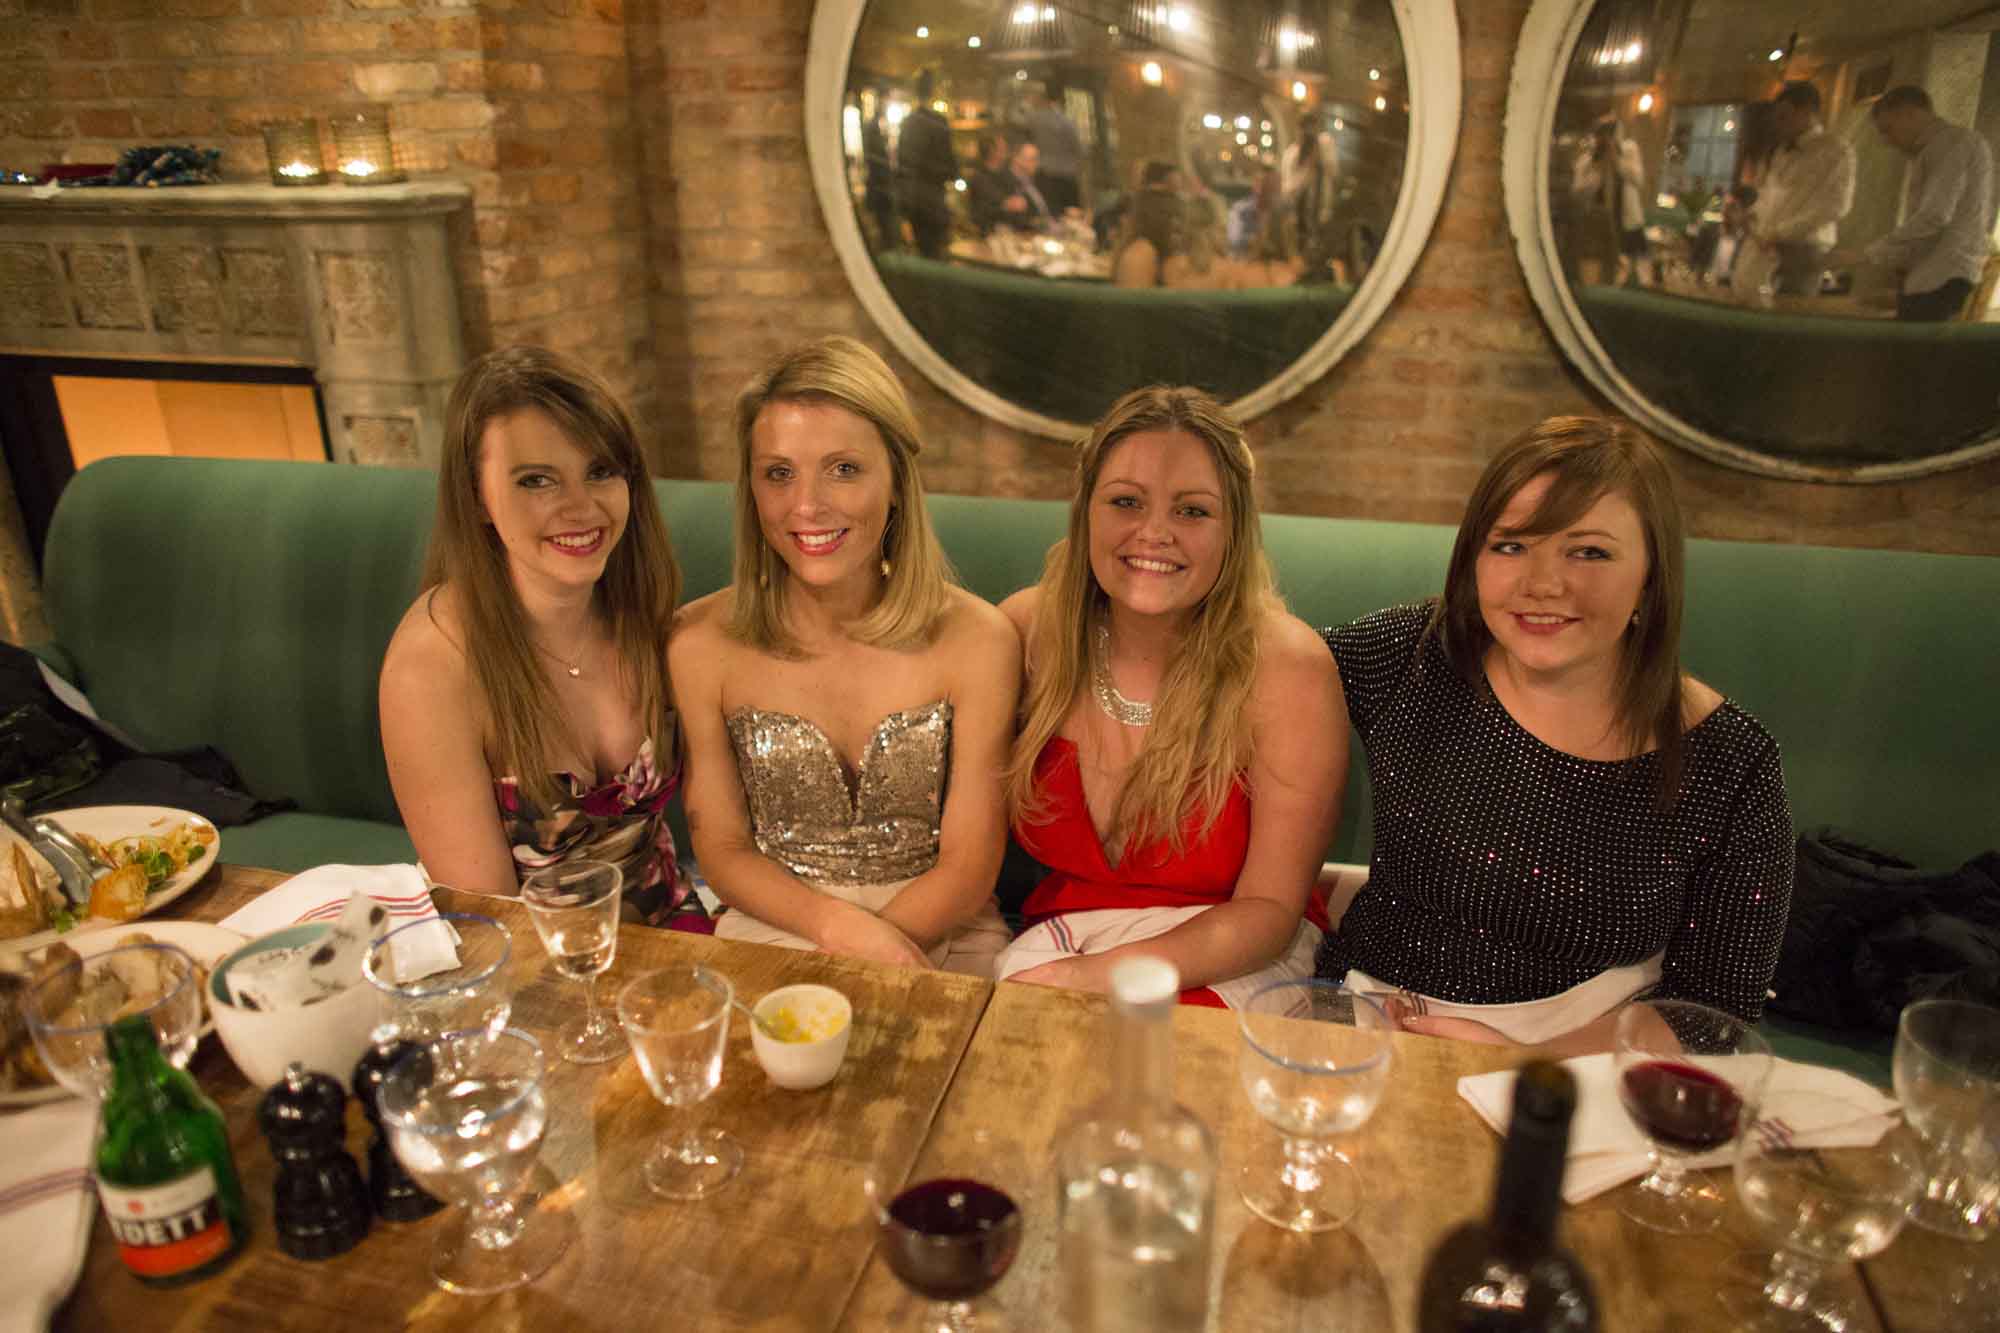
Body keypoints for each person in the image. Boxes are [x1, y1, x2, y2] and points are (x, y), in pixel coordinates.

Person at [1314, 417, 1794, 1054]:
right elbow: (1252, 674)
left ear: (1651, 576)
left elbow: (1716, 1007)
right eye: (1510, 545)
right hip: (1363, 1017)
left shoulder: (1732, 763)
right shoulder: (1413, 653)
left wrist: (1527, 1064)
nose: (1542, 584)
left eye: (1589, 552)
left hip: (1582, 1055)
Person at [670, 336, 1018, 974]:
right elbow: (721, 847)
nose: (807, 505)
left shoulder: (980, 639)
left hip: (945, 923)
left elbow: (970, 865)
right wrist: (838, 935)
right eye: (779, 473)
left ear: (896, 482)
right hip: (777, 921)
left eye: (844, 469)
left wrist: (874, 959)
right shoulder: (697, 643)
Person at [995, 387, 1345, 1006]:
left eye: (1192, 511)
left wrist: (1095, 978)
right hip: (1063, 936)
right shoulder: (1026, 634)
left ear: (1234, 530)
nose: (1154, 533)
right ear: (1086, 511)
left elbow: (1269, 910)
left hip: (1235, 950)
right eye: (1126, 502)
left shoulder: (1288, 667)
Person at [380, 346, 696, 925]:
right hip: (531, 952)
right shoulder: (430, 666)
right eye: (536, 481)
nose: (581, 508)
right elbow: (489, 917)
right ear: (476, 497)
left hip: (674, 924)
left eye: (600, 471)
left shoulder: (641, 606)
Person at [1840, 85, 1997, 322]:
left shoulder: (1951, 143)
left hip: (1945, 277)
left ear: (1910, 113)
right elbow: (1928, 230)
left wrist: (1865, 254)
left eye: (1888, 130)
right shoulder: (1936, 148)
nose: (1886, 141)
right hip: (1936, 278)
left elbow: (1934, 216)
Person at [1749, 81, 1856, 297]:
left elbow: (1836, 206)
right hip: (1768, 247)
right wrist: (1757, 223)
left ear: (1808, 112)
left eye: (1785, 116)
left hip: (1804, 250)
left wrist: (1780, 232)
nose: (1779, 124)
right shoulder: (1782, 150)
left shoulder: (1835, 149)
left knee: (1789, 308)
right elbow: (1770, 194)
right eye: (1777, 117)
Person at [1570, 116, 1650, 287]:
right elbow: (1577, 190)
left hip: (1626, 219)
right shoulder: (1587, 160)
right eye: (1602, 136)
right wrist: (1598, 168)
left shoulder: (1629, 151)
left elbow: (1638, 180)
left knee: (1632, 267)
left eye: (1610, 135)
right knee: (1599, 266)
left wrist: (1616, 159)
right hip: (1598, 222)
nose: (1606, 140)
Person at [895, 72, 956, 260]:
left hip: (914, 201)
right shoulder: (939, 123)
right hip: (934, 200)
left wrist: (903, 206)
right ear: (934, 90)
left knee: (923, 252)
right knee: (937, 255)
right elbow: (950, 166)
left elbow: (902, 166)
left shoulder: (908, 123)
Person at [1023, 82, 1083, 215]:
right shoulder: (1067, 122)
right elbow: (1078, 147)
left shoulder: (1034, 120)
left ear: (1043, 99)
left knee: (1049, 213)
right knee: (1071, 214)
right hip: (1067, 174)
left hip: (1044, 173)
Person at [966, 131, 1024, 236]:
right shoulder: (979, 178)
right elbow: (982, 210)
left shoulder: (1007, 174)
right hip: (988, 233)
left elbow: (1017, 197)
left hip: (1013, 230)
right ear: (992, 150)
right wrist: (1006, 205)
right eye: (1002, 148)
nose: (1006, 149)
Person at [1005, 140, 1056, 231]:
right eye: (1032, 159)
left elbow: (1048, 208)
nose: (1036, 164)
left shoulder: (1039, 179)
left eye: (1036, 160)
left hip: (1050, 229)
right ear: (1016, 159)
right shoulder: (1006, 182)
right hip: (1028, 232)